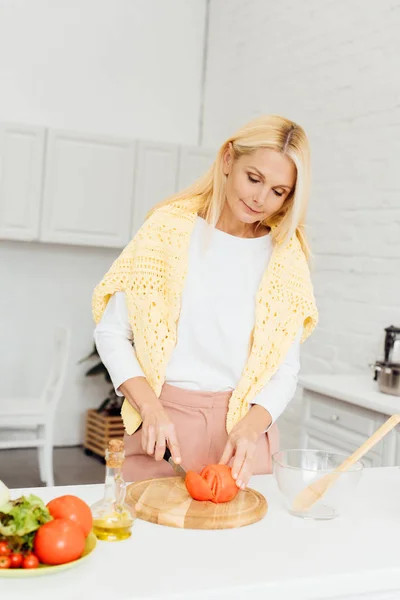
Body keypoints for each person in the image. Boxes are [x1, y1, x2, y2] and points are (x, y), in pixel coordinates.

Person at [92, 114, 318, 489]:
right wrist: (150, 408)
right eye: (254, 178)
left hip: (244, 437)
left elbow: (285, 370)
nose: (261, 199)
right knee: (148, 539)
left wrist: (251, 427)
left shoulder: (286, 259)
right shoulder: (167, 231)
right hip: (163, 431)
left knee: (245, 546)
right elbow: (112, 333)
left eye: (279, 191)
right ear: (228, 160)